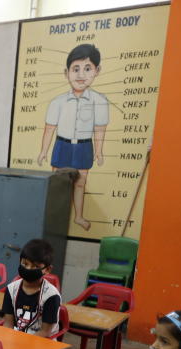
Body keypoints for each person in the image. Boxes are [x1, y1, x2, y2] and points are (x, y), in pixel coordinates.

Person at [36, 44, 109, 232]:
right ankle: (55, 215)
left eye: (87, 68)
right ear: (66, 72)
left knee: (80, 183)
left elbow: (100, 129)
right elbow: (49, 129)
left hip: (84, 147)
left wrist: (99, 152)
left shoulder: (99, 101)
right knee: (58, 183)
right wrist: (43, 151)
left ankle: (78, 217)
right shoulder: (57, 102)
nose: (81, 75)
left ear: (97, 71)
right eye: (75, 69)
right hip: (62, 145)